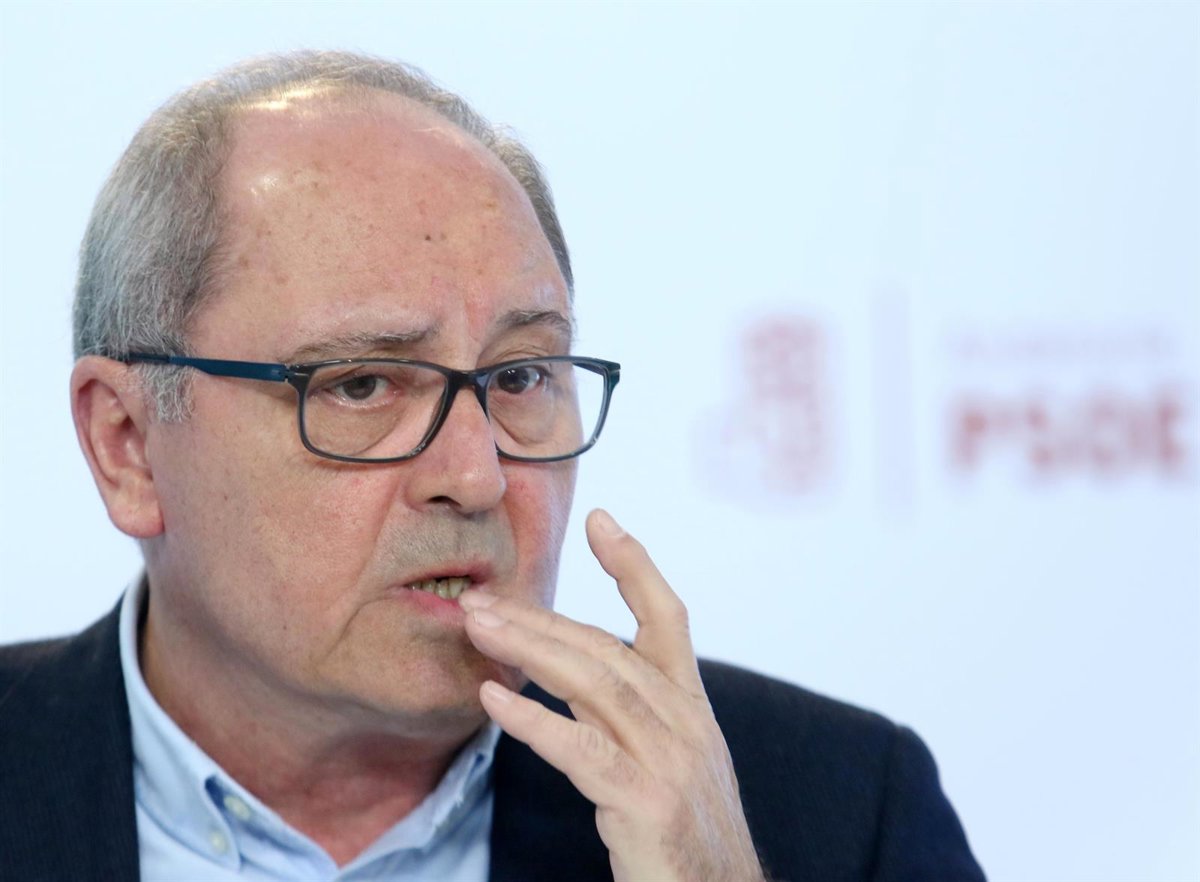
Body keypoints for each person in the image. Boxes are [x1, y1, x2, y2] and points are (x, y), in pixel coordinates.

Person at [0, 51, 985, 881]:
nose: (477, 478)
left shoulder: (835, 814)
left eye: (518, 376)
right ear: (127, 445)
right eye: (361, 385)